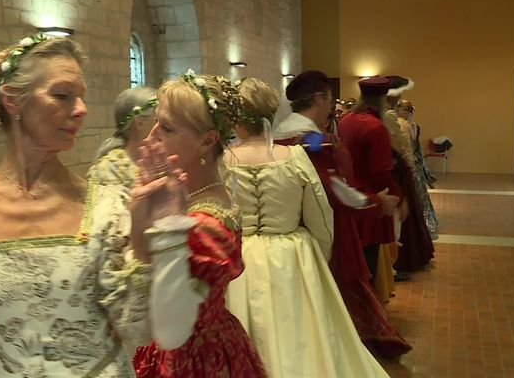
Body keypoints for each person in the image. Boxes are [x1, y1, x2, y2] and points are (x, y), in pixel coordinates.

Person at [0, 35, 205, 377]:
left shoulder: (106, 206)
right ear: (13, 100)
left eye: (81, 97)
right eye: (62, 95)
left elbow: (141, 331)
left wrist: (152, 236)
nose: (81, 110)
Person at [224, 78, 390, 377]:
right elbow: (321, 212)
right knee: (302, 334)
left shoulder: (223, 161)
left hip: (237, 258)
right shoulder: (299, 150)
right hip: (290, 255)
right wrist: (319, 257)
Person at [132, 70, 267, 377]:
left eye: (166, 128)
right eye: (155, 122)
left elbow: (163, 316)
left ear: (207, 140)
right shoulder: (194, 195)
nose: (150, 136)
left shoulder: (204, 224)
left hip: (192, 358)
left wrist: (143, 223)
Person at [275, 70, 411, 357]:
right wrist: (374, 203)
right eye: (329, 100)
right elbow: (331, 188)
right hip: (325, 229)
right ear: (317, 99)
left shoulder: (281, 135)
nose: (331, 107)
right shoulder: (313, 141)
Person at [384, 76, 434, 274]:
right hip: (398, 169)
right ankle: (400, 259)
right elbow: (400, 148)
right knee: (402, 215)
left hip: (403, 166)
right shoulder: (388, 116)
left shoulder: (399, 121)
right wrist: (410, 168)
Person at [88, 86, 157, 187]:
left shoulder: (160, 161)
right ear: (140, 123)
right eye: (157, 120)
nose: (161, 128)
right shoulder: (108, 171)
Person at [397, 99, 439, 239]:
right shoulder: (413, 126)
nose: (400, 113)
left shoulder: (405, 127)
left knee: (417, 196)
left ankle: (421, 225)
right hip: (416, 164)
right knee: (419, 196)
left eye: (403, 111)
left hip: (413, 165)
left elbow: (410, 150)